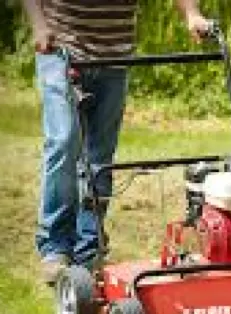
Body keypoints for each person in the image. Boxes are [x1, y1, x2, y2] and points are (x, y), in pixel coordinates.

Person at [21, 0, 211, 285]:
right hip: (60, 47)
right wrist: (39, 25)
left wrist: (192, 14)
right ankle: (55, 247)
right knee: (63, 142)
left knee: (99, 157)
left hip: (114, 58)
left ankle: (88, 249)